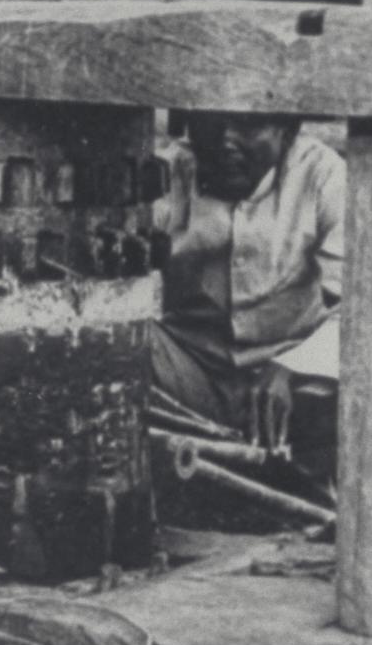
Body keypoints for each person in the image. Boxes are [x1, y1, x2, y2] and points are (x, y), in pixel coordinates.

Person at [145, 111, 348, 478]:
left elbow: (359, 304)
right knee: (127, 348)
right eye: (212, 121)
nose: (225, 139)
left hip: (289, 373)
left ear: (288, 130)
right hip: (191, 371)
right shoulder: (168, 175)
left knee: (340, 399)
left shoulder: (323, 176)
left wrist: (297, 367)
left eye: (249, 124)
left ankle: (307, 493)